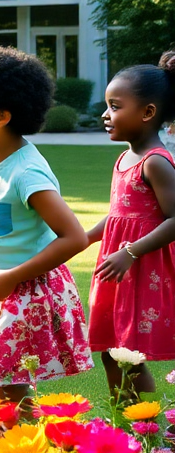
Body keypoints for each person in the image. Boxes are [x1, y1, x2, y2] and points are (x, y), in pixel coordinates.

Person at [0, 47, 92, 407]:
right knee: (10, 386)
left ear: (1, 116)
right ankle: (35, 444)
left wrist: (13, 277)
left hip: (28, 291)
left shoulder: (27, 173)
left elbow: (74, 237)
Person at [86, 52, 175, 399]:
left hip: (140, 269)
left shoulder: (156, 163)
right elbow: (120, 213)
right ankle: (126, 424)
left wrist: (130, 252)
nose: (105, 115)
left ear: (148, 112)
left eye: (115, 106)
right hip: (116, 268)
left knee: (129, 355)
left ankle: (150, 432)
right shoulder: (125, 157)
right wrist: (84, 238)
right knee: (110, 350)